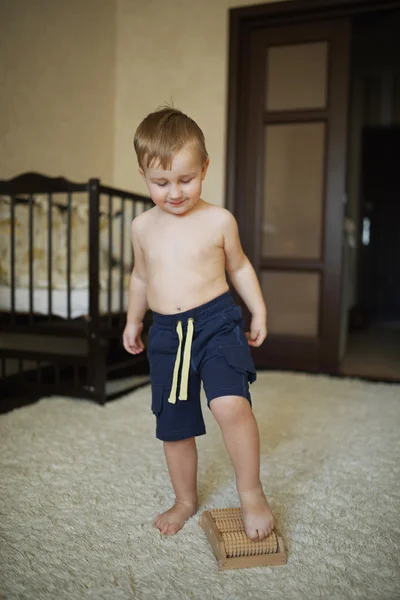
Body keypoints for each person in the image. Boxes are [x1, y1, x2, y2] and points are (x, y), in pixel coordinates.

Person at [123, 107, 274, 541]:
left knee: (231, 405)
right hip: (167, 335)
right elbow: (139, 277)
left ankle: (251, 493)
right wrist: (134, 321)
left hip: (216, 324)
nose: (174, 193)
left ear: (205, 168)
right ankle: (185, 499)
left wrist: (258, 310)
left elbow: (240, 268)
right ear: (143, 174)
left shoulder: (218, 220)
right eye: (160, 182)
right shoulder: (141, 227)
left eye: (186, 180)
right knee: (175, 425)